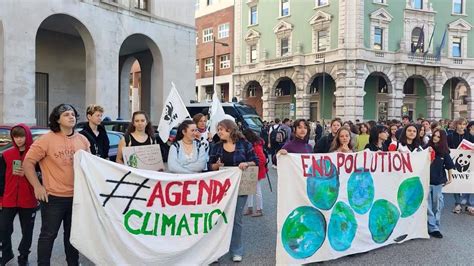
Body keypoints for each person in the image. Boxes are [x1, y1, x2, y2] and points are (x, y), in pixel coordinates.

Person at [23, 104, 90, 266]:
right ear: (57, 119)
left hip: (77, 198)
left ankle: (73, 263)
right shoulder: (46, 140)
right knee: (48, 235)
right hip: (53, 198)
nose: (71, 117)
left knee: (73, 237)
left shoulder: (83, 140)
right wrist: (37, 187)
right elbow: (28, 163)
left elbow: (90, 167)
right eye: (66, 114)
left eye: (73, 114)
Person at [208, 119, 258, 262]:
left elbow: (256, 160)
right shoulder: (216, 146)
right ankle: (215, 252)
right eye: (218, 130)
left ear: (230, 130)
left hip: (240, 187)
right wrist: (216, 166)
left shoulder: (245, 144)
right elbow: (209, 165)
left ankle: (236, 250)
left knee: (236, 219)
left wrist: (246, 163)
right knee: (217, 219)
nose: (219, 132)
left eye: (221, 129)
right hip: (220, 189)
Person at [0, 124, 37, 266]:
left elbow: (42, 177)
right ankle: (7, 253)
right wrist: (1, 197)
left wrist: (28, 175)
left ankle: (23, 256)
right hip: (9, 198)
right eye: (16, 136)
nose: (19, 139)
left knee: (27, 231)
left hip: (28, 199)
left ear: (27, 136)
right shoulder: (6, 155)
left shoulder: (34, 155)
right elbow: (1, 178)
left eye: (22, 136)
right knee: (3, 228)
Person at [426, 129, 454, 238]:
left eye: (438, 136)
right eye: (434, 135)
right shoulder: (426, 148)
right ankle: (432, 227)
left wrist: (450, 178)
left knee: (437, 204)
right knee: (427, 205)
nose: (435, 138)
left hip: (438, 181)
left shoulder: (444, 151)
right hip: (426, 181)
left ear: (442, 138)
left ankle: (435, 225)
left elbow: (449, 165)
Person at [242, 129, 267, 217]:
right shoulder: (255, 144)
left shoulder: (255, 146)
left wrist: (254, 165)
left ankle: (259, 209)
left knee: (256, 190)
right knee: (251, 189)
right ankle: (251, 208)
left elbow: (262, 159)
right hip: (255, 169)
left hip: (256, 169)